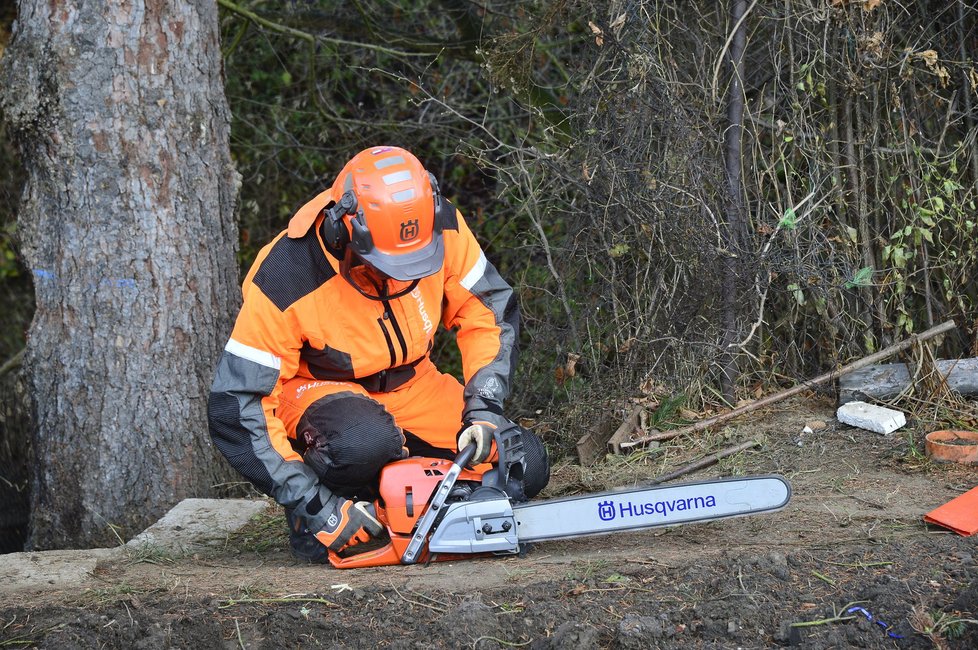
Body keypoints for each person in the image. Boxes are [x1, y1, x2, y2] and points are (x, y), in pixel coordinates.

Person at [207, 146, 550, 563]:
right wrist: (314, 504)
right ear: (343, 231)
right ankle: (330, 513)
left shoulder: (435, 225)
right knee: (362, 444)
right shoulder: (285, 275)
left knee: (522, 464)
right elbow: (236, 404)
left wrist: (484, 409)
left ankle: (419, 504)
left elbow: (487, 310)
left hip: (414, 384)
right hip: (319, 390)